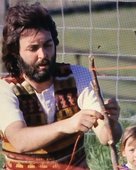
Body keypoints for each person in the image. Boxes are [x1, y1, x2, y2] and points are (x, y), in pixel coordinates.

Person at [0, 2, 122, 170]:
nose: (43, 55)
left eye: (48, 45)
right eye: (33, 48)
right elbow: (20, 140)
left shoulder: (78, 75)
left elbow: (106, 137)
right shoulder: (6, 89)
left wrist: (112, 124)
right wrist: (69, 124)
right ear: (15, 52)